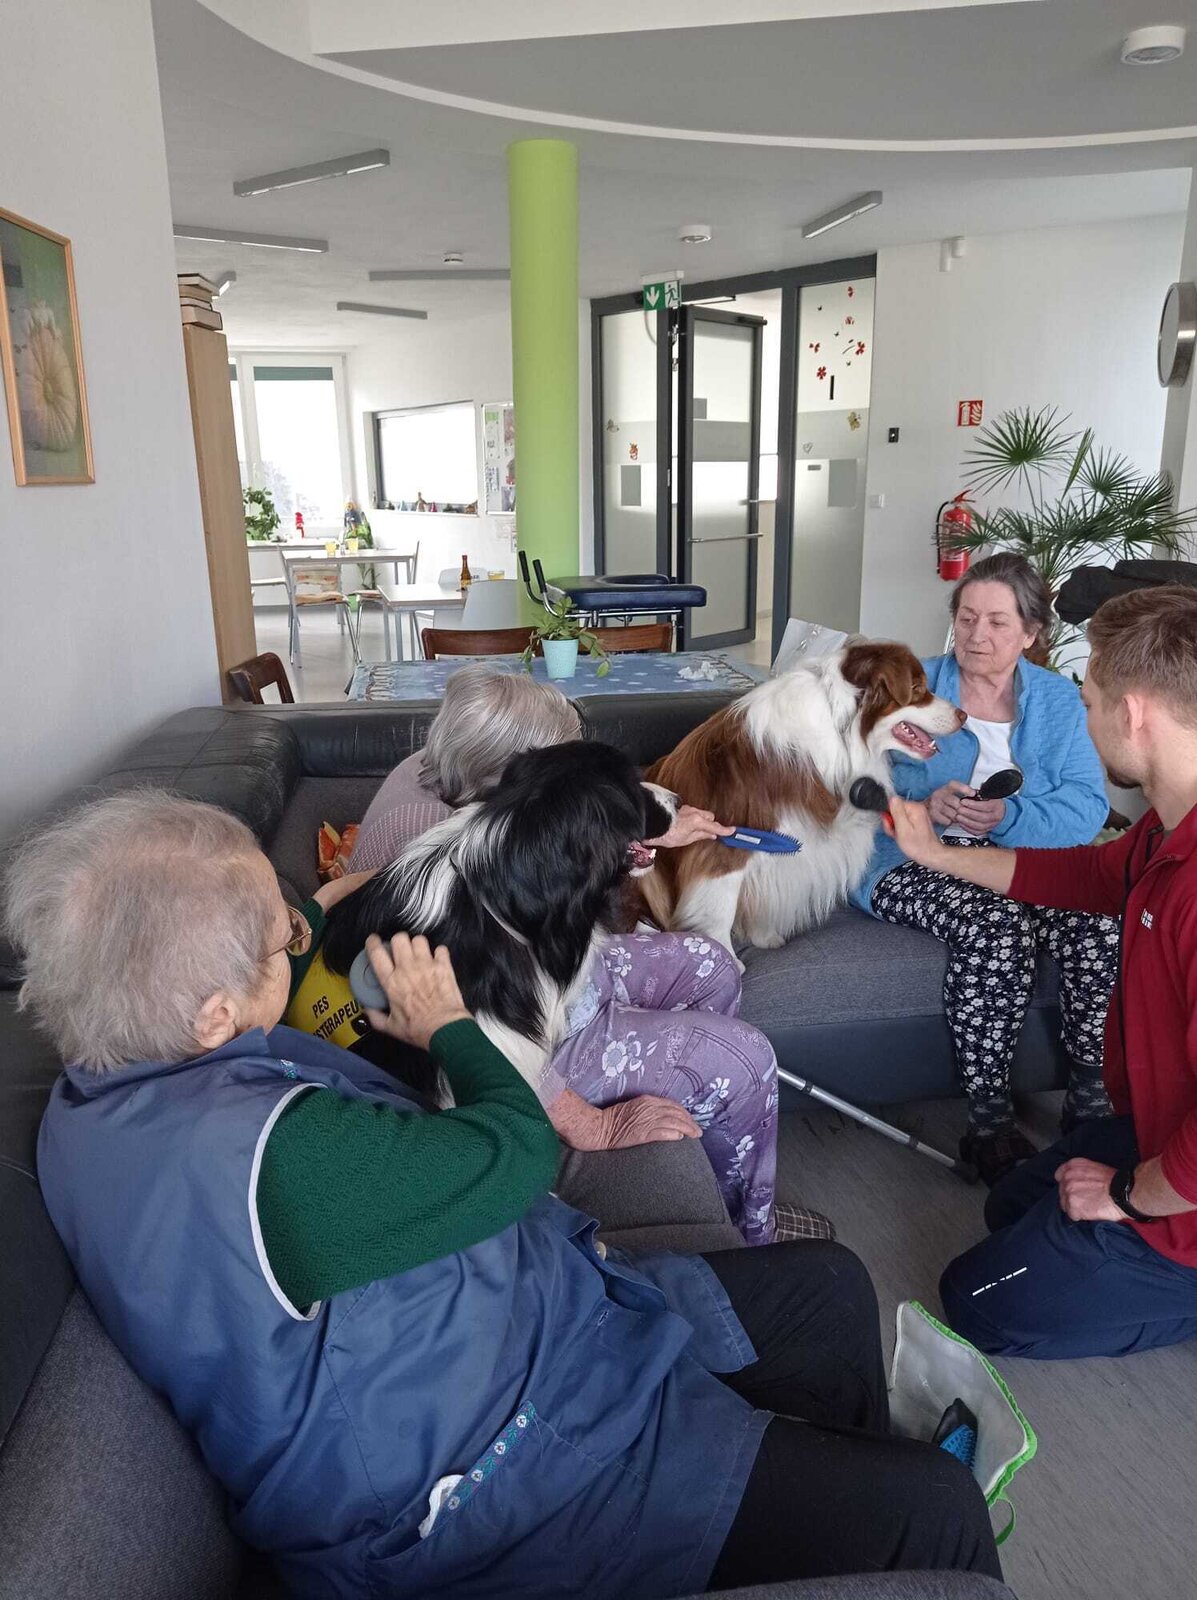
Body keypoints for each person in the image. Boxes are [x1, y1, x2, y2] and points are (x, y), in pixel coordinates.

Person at [6, 792, 1001, 1597]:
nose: (301, 932)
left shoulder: (94, 1090)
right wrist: (447, 1024)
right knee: (938, 1508)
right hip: (492, 1476)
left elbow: (300, 966)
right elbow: (517, 1150)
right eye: (282, 934)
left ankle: (820, 1493)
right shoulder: (274, 1161)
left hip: (495, 1332)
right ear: (215, 1012)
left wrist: (341, 907)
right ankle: (853, 1523)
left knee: (827, 1286)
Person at [347, 662, 804, 1246]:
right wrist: (590, 1124)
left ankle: (709, 1149)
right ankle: (752, 1233)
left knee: (709, 964)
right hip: (521, 1037)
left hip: (540, 980)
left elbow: (567, 832)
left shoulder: (462, 781)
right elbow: (470, 1040)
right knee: (744, 1059)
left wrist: (648, 827)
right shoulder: (424, 849)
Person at [884, 587, 1197, 1360]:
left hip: (1184, 1196)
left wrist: (1128, 1195)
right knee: (1012, 1206)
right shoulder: (1163, 829)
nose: (1080, 720)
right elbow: (1081, 878)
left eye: (1088, 703)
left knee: (977, 1300)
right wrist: (930, 853)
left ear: (1131, 713)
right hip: (1161, 1125)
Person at [851, 552, 1119, 1185]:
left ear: (1030, 632)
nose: (977, 634)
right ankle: (989, 1123)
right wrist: (924, 806)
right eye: (967, 617)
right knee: (996, 927)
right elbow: (851, 786)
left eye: (998, 622)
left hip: (1021, 855)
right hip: (908, 858)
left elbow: (1087, 807)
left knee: (1099, 920)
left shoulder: (1060, 700)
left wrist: (1007, 816)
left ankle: (1090, 1097)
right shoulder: (910, 686)